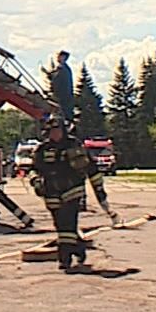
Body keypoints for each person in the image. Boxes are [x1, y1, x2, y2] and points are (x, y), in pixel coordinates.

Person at [30, 116, 118, 272]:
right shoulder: (42, 149)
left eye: (57, 130)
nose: (55, 134)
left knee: (68, 224)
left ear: (63, 131)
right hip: (51, 192)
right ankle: (78, 248)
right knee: (60, 226)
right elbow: (33, 169)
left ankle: (65, 259)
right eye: (52, 131)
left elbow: (91, 169)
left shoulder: (74, 145)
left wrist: (99, 191)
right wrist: (36, 182)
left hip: (72, 190)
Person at [46, 51, 76, 128]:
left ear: (63, 57)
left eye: (59, 56)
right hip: (65, 97)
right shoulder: (65, 69)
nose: (57, 57)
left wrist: (50, 76)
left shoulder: (62, 69)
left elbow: (57, 81)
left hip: (62, 97)